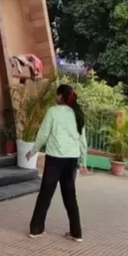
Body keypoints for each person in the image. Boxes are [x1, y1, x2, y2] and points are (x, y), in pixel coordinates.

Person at [26, 83, 87, 242]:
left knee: (45, 194)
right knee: (70, 196)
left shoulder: (53, 111)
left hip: (55, 159)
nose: (55, 97)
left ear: (61, 96)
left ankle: (36, 229)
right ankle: (76, 233)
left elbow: (43, 134)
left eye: (57, 95)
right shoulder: (78, 114)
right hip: (71, 160)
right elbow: (82, 140)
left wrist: (33, 151)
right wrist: (83, 161)